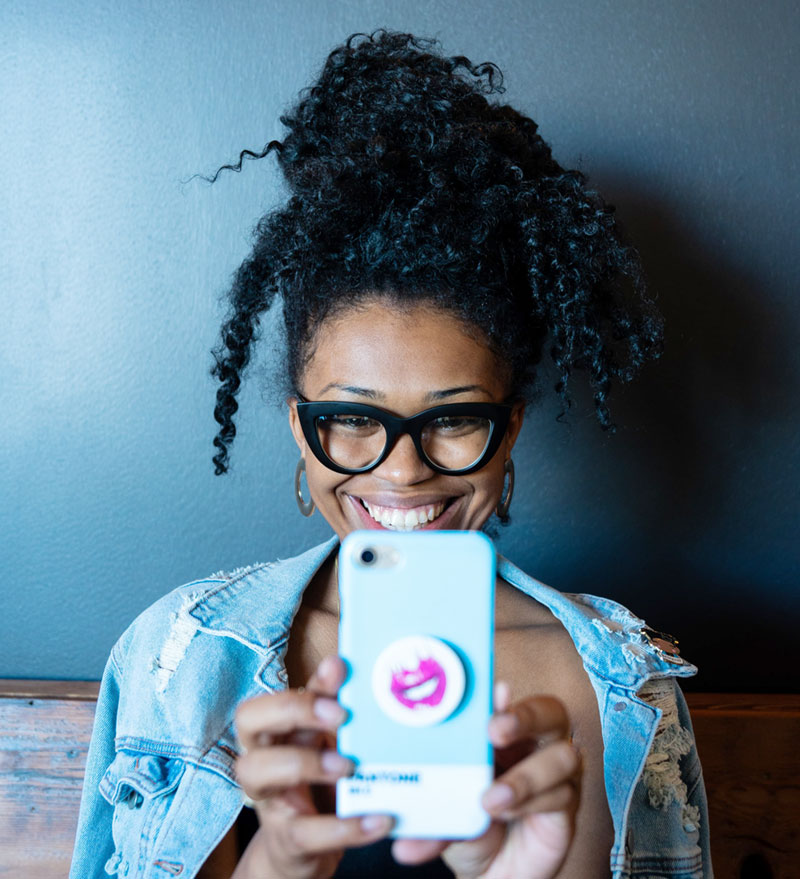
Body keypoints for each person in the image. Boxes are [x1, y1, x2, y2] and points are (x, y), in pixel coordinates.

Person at [70, 30, 712, 879]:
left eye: (452, 420)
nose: (403, 470)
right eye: (353, 420)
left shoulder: (622, 685)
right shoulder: (179, 657)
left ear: (509, 427)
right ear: (304, 429)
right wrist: (280, 863)